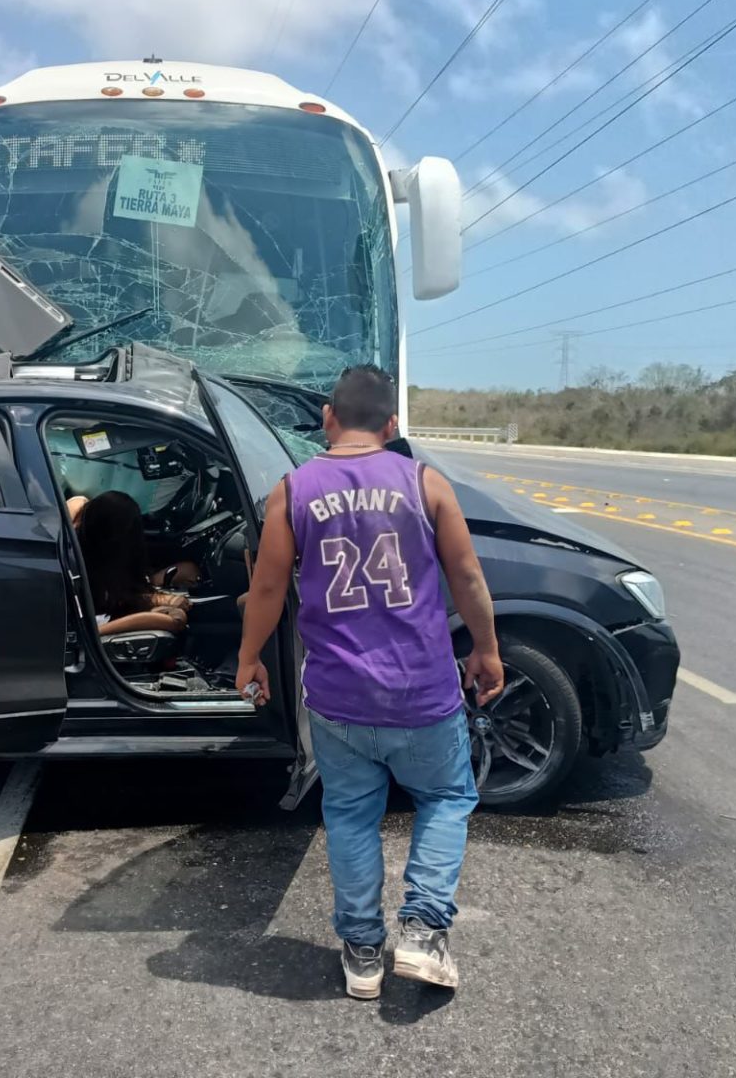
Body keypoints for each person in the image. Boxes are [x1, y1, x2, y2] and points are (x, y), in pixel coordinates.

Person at [235, 364, 504, 1000]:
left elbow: (269, 588)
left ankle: (362, 952)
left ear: (328, 418)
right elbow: (466, 578)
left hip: (337, 699)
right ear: (391, 425)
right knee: (444, 799)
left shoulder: (293, 490)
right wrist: (487, 650)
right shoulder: (423, 482)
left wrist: (248, 658)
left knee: (352, 816)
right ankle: (421, 931)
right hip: (422, 693)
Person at [77, 490, 190, 635]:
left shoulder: (79, 549)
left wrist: (158, 601)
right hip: (95, 630)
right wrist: (161, 605)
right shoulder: (90, 573)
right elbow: (175, 622)